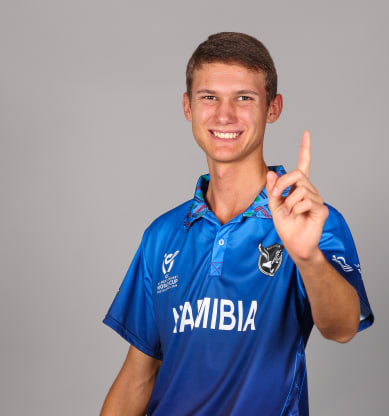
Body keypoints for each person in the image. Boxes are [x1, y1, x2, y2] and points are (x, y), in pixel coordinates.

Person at [100, 32, 374, 415]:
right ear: (187, 107)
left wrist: (308, 258)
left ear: (272, 108)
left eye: (244, 98)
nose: (224, 115)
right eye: (208, 97)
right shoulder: (161, 235)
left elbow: (342, 327)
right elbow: (138, 376)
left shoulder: (310, 219)